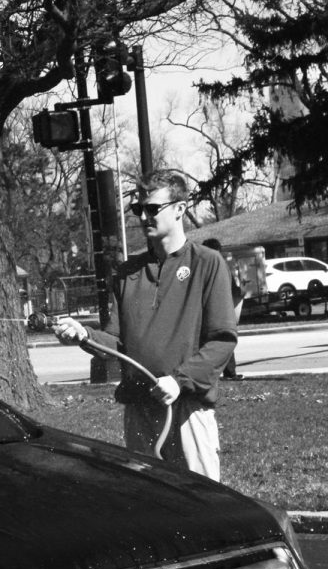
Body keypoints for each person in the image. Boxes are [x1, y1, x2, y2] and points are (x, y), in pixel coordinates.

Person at [52, 170, 237, 480]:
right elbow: (116, 343)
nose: (144, 216)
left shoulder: (207, 263)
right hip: (139, 407)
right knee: (149, 504)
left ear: (180, 208)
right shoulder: (127, 272)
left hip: (187, 407)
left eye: (153, 208)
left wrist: (180, 381)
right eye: (139, 209)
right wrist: (84, 335)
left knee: (199, 505)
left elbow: (222, 341)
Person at [203, 237, 245, 380]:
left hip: (206, 310)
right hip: (221, 309)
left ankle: (218, 373)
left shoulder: (201, 266)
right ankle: (229, 373)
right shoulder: (222, 266)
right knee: (224, 340)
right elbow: (234, 290)